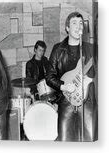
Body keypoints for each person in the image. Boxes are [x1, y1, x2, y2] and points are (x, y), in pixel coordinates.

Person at [46, 12, 98, 141]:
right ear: (67, 28)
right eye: (74, 23)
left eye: (81, 23)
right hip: (66, 101)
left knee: (89, 142)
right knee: (65, 141)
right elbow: (49, 77)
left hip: (87, 103)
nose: (78, 26)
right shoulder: (58, 50)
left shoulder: (92, 49)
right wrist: (63, 87)